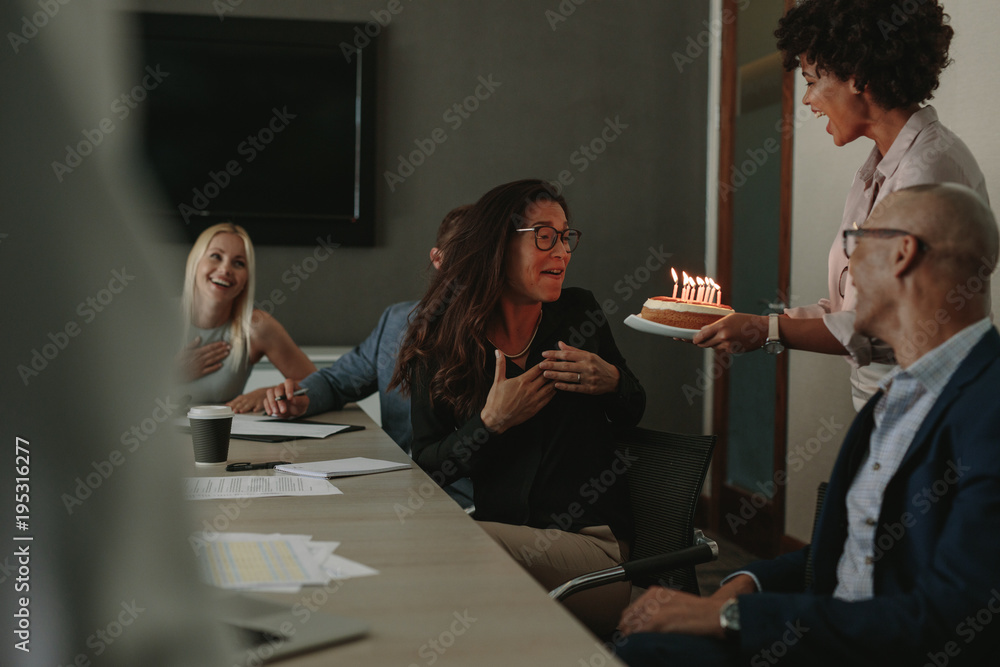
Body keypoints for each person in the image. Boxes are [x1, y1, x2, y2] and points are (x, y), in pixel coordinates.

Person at [617, 184, 1000, 667]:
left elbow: (953, 621)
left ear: (902, 254)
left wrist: (731, 620)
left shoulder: (988, 409)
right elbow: (855, 552)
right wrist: (745, 585)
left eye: (857, 243)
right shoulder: (897, 393)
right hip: (825, 631)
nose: (848, 268)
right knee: (643, 644)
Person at [694, 0, 989, 410]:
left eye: (812, 80)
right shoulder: (876, 170)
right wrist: (749, 325)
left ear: (858, 76)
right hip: (885, 409)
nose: (806, 99)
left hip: (928, 413)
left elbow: (888, 327)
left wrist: (767, 330)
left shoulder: (929, 171)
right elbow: (848, 308)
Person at [389, 179, 646, 637]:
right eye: (545, 236)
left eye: (566, 237)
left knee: (454, 545)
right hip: (500, 543)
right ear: (499, 245)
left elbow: (632, 410)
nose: (563, 252)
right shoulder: (442, 342)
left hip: (595, 554)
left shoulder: (578, 312)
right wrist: (490, 423)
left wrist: (613, 382)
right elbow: (429, 467)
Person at [263, 205, 475, 508]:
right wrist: (301, 398)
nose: (475, 268)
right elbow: (338, 382)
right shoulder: (397, 321)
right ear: (437, 260)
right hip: (392, 485)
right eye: (464, 255)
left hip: (465, 505)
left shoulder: (512, 333)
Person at [178, 222, 316, 412]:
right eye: (216, 256)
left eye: (238, 263)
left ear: (246, 279)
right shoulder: (154, 315)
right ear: (195, 262)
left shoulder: (256, 327)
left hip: (227, 438)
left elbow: (319, 385)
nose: (226, 269)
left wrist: (269, 393)